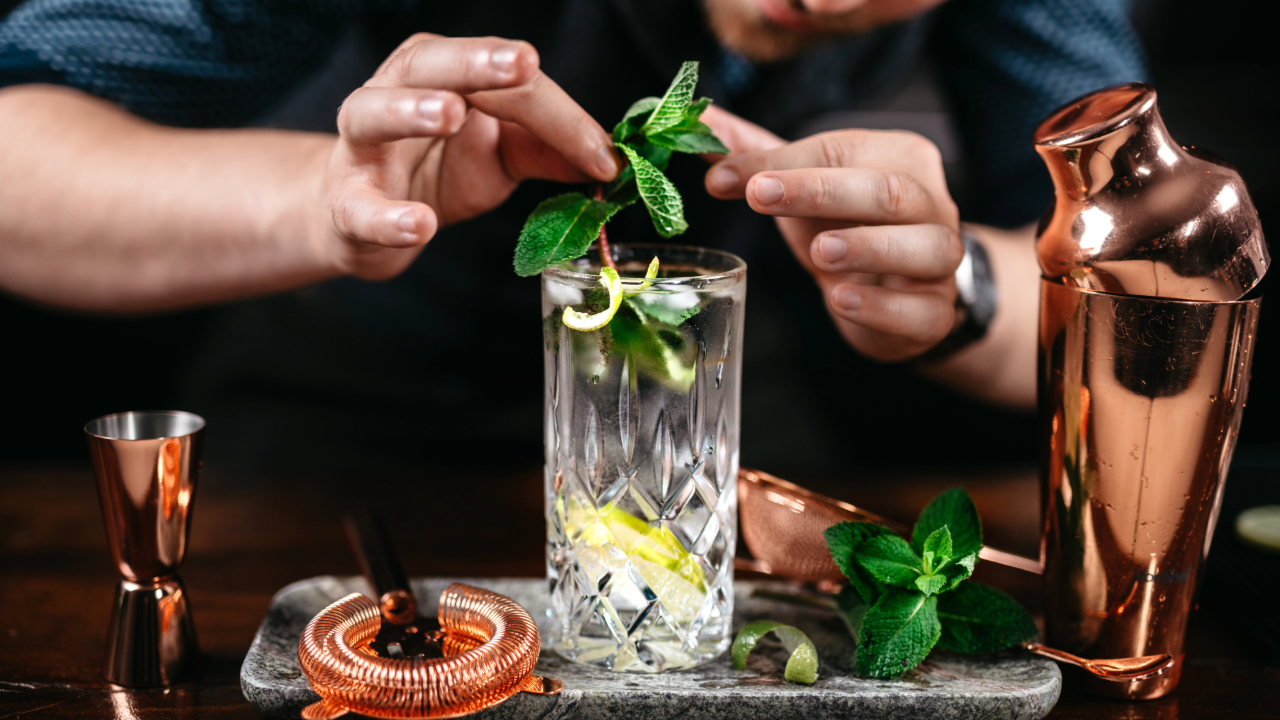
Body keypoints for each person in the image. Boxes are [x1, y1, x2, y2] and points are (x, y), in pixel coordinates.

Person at [0, 0, 1145, 466]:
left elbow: (1145, 292)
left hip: (710, 426)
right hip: (336, 409)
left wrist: (959, 294)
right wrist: (319, 204)